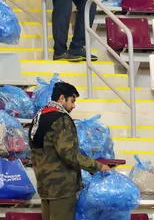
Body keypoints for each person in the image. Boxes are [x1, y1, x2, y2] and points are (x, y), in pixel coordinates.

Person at [29, 81, 110, 220]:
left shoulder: (39, 115)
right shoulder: (61, 118)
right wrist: (98, 166)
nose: (73, 106)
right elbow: (70, 155)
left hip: (45, 185)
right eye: (72, 101)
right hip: (62, 188)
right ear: (61, 98)